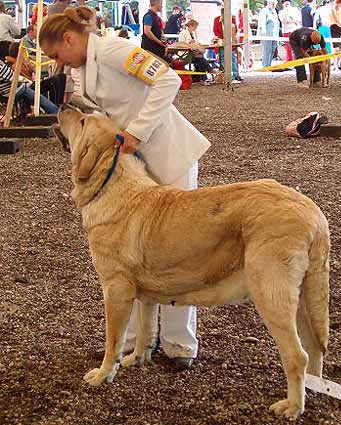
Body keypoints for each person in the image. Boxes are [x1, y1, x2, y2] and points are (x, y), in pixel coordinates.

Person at [39, 6, 211, 370]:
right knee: (127, 256)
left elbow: (168, 80)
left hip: (168, 156)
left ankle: (180, 345)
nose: (60, 63)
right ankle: (133, 342)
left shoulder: (116, 49)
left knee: (176, 251)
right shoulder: (83, 67)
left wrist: (137, 132)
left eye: (57, 55)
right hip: (133, 168)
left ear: (68, 38)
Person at [178, 19, 214, 84]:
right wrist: (189, 43)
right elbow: (181, 44)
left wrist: (197, 44)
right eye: (195, 27)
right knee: (200, 59)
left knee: (200, 59)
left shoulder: (192, 34)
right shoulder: (183, 33)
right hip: (184, 55)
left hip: (193, 53)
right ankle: (210, 71)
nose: (195, 29)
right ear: (191, 26)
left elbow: (194, 43)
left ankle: (204, 78)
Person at [213, 8, 243, 82]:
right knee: (223, 58)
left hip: (231, 43)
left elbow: (235, 30)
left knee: (233, 59)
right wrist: (221, 39)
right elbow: (215, 31)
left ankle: (235, 75)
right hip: (221, 43)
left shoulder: (232, 19)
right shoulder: (217, 20)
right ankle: (229, 75)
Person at [257, 0, 280, 67]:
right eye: (271, 3)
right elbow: (262, 22)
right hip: (267, 34)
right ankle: (265, 66)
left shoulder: (274, 11)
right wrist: (263, 32)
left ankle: (269, 65)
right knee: (267, 50)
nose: (273, 5)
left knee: (272, 50)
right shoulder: (264, 11)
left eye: (274, 4)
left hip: (274, 34)